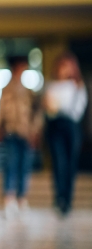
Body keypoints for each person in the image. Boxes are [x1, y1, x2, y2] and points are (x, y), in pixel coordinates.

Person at [0, 55, 41, 218]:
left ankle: (22, 199)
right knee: (10, 165)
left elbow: (37, 114)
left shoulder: (29, 92)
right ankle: (9, 199)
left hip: (26, 134)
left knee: (24, 166)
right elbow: (1, 111)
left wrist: (35, 131)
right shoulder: (6, 90)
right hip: (10, 132)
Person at [43, 51, 88, 216]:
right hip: (55, 126)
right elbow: (48, 109)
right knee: (58, 163)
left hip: (70, 126)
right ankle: (59, 197)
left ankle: (67, 200)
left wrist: (60, 108)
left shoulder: (77, 86)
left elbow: (77, 110)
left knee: (69, 164)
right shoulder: (51, 85)